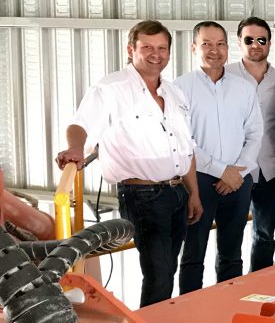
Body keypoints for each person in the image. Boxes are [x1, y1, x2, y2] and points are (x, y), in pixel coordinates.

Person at [56, 20, 202, 307]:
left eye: (162, 48)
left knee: (168, 270)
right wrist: (75, 148)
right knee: (158, 274)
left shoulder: (174, 93)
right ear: (130, 50)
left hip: (177, 192)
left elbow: (186, 148)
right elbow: (80, 125)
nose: (155, 54)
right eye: (146, 47)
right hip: (143, 195)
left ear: (170, 52)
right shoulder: (111, 88)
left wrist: (193, 193)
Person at [176, 21, 262, 293]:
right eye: (206, 44)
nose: (214, 50)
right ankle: (189, 315)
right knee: (193, 254)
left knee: (232, 253)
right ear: (193, 48)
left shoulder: (244, 88)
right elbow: (183, 141)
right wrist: (220, 170)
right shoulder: (180, 87)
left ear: (228, 47)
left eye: (220, 44)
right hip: (196, 182)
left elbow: (255, 134)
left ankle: (228, 310)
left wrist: (236, 172)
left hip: (238, 180)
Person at [225, 17, 275, 272]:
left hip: (270, 169)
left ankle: (259, 286)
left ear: (269, 43)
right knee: (231, 235)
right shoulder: (225, 76)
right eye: (249, 40)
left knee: (265, 234)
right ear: (239, 43)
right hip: (233, 170)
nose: (255, 45)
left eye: (261, 40)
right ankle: (228, 289)